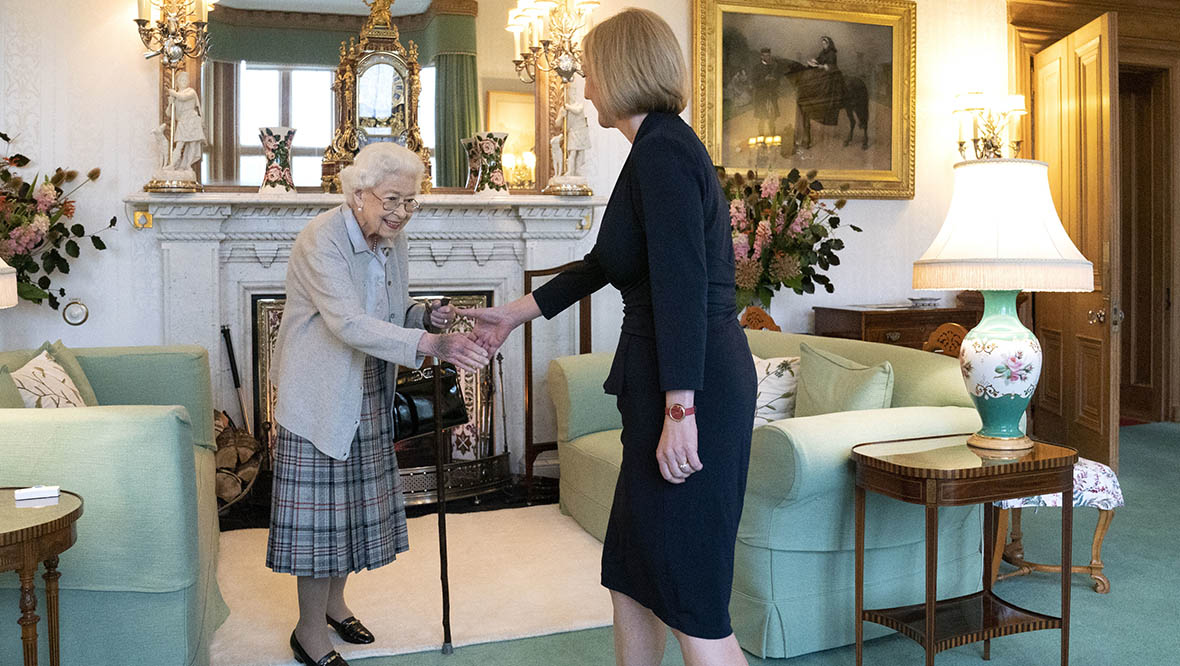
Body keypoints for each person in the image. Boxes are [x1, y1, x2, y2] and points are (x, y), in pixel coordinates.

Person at [466, 9, 756, 666]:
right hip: (666, 383)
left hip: (691, 390)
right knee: (631, 578)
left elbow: (682, 289)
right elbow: (608, 262)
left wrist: (681, 410)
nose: (586, 85)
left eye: (591, 69)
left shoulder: (663, 153)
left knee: (691, 599)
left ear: (622, 69)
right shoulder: (651, 149)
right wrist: (516, 312)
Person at [266, 142, 489, 666]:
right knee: (320, 523)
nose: (400, 213)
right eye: (392, 200)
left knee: (348, 515)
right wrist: (432, 346)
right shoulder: (321, 240)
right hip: (320, 394)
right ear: (358, 193)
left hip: (368, 388)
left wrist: (421, 317)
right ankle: (307, 633)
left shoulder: (393, 240)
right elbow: (347, 322)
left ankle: (335, 605)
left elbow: (388, 310)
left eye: (410, 202)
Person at [167, 71, 205, 173]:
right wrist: (170, 104)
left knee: (192, 144)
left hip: (192, 120)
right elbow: (169, 114)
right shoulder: (176, 96)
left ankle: (187, 165)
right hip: (183, 121)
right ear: (178, 82)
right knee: (179, 144)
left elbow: (183, 98)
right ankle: (172, 165)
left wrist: (173, 93)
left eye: (185, 80)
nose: (184, 82)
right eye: (181, 80)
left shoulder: (190, 92)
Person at [751, 47, 781, 136]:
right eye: (765, 56)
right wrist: (765, 79)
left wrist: (774, 80)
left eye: (768, 55)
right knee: (762, 119)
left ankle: (773, 137)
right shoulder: (756, 68)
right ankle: (761, 139)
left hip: (771, 96)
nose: (767, 57)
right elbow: (754, 83)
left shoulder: (774, 67)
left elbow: (778, 81)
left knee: (772, 119)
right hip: (761, 97)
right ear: (761, 56)